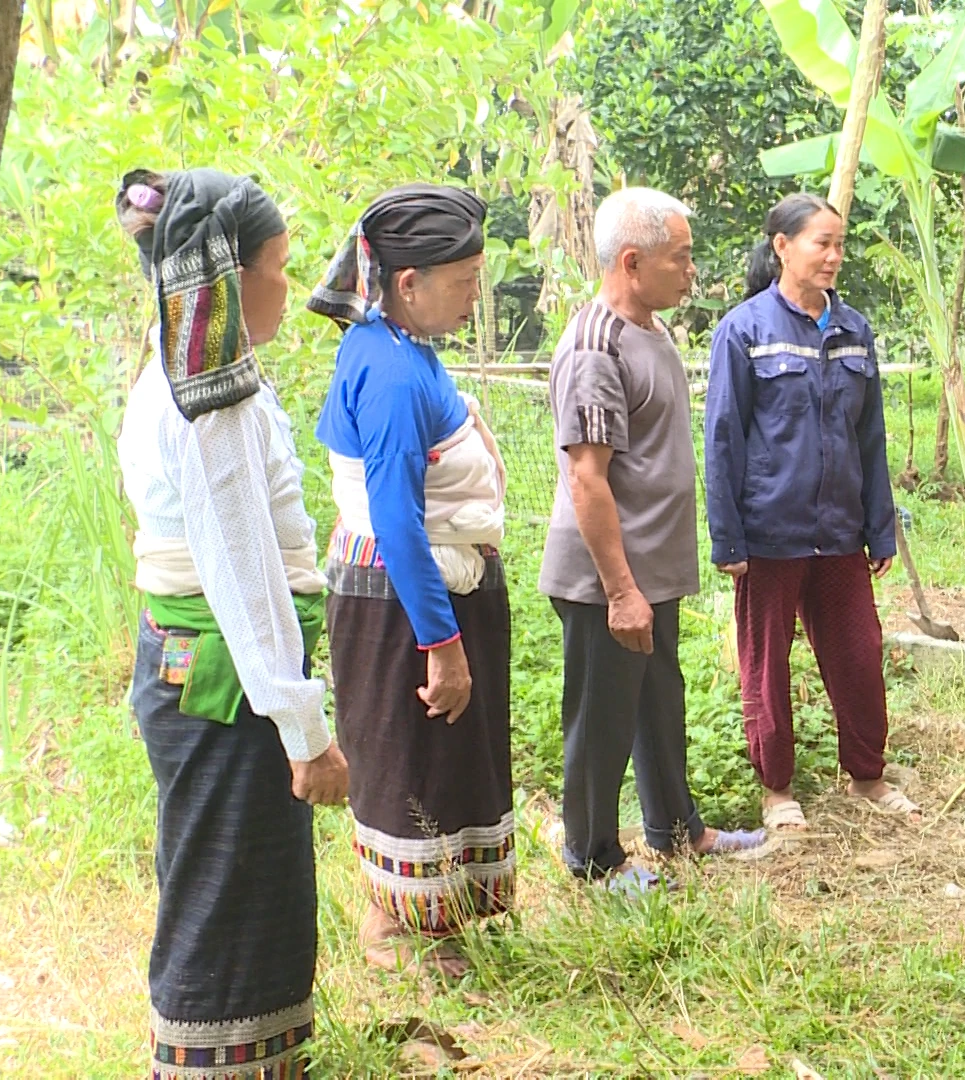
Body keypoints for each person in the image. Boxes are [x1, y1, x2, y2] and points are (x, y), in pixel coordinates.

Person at [115, 167, 348, 1080]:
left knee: (231, 875)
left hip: (203, 671)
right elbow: (244, 577)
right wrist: (305, 731)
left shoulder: (183, 373)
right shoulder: (211, 402)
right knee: (224, 888)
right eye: (282, 266)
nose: (290, 285)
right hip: (224, 677)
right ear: (231, 277)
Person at [307, 184, 513, 977]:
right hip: (404, 605)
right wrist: (442, 644)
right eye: (462, 283)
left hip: (421, 593)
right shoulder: (391, 376)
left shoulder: (400, 348)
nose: (471, 298)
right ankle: (394, 931)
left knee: (437, 760)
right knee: (407, 764)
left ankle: (432, 920)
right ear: (407, 284)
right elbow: (396, 521)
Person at [544, 187, 765, 891]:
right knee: (602, 719)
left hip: (652, 569)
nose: (691, 271)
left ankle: (677, 830)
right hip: (607, 576)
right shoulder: (594, 346)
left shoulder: (651, 330)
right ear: (632, 263)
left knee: (657, 702)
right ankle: (593, 859)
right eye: (682, 258)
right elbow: (587, 480)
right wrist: (620, 591)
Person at [703, 193, 919, 834]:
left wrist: (879, 525)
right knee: (766, 662)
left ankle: (867, 777)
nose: (833, 256)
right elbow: (723, 438)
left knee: (859, 651)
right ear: (782, 247)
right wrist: (728, 537)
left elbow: (871, 436)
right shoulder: (744, 330)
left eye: (839, 244)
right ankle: (777, 790)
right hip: (770, 532)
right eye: (821, 243)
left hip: (841, 532)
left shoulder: (855, 330)